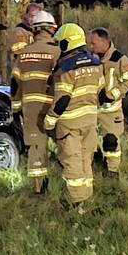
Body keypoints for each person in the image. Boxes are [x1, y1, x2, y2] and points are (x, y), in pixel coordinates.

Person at [44, 23, 103, 209]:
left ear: (66, 44)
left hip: (70, 123)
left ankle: (77, 203)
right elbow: (102, 93)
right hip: (90, 121)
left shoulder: (65, 68)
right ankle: (88, 199)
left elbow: (62, 100)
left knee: (73, 162)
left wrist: (49, 121)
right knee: (86, 160)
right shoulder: (95, 63)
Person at [11, 11, 60, 194]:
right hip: (53, 105)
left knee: (36, 146)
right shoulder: (57, 51)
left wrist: (16, 109)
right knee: (64, 140)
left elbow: (15, 84)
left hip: (30, 107)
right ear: (50, 29)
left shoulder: (22, 54)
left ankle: (39, 189)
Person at [87, 27, 128, 176]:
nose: (90, 47)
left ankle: (112, 171)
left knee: (111, 141)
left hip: (111, 110)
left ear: (104, 41)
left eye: (93, 43)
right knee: (88, 140)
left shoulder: (119, 59)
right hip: (91, 109)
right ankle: (95, 161)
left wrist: (112, 95)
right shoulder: (89, 58)